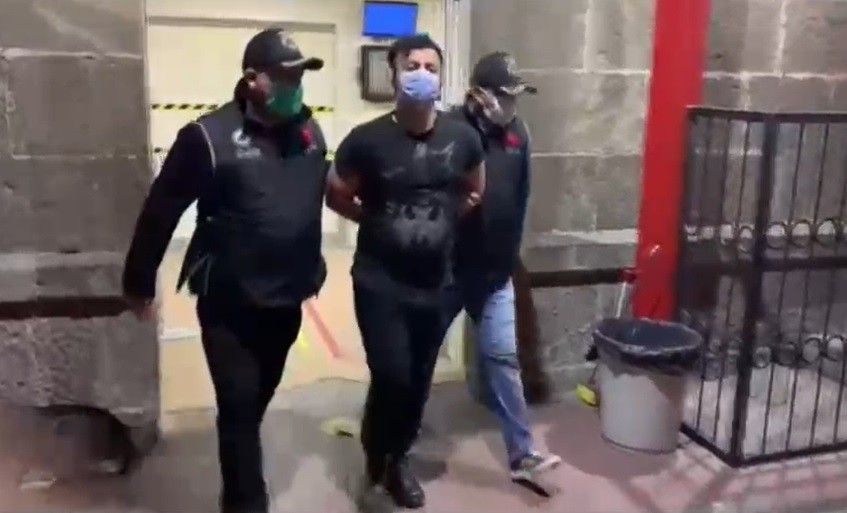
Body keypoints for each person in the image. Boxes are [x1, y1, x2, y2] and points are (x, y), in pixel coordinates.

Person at [122, 28, 328, 513]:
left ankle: (241, 458)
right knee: (237, 407)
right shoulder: (207, 137)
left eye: (299, 75)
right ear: (253, 79)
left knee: (253, 401)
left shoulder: (309, 130)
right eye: (284, 76)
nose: (295, 85)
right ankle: (244, 501)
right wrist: (139, 280)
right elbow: (161, 208)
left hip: (288, 297)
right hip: (229, 301)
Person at [325, 34, 485, 509]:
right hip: (380, 281)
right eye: (411, 66)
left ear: (442, 76)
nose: (421, 75)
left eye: (431, 67)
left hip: (436, 283)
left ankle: (397, 459)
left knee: (417, 379)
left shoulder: (462, 138)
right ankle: (377, 452)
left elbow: (475, 189)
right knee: (392, 373)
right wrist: (375, 221)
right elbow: (336, 194)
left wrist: (444, 222)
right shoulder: (367, 140)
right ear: (393, 74)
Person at [445, 52, 561, 482]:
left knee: (504, 359)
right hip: (447, 273)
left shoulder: (518, 134)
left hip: (496, 274)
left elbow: (521, 195)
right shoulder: (449, 131)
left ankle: (523, 456)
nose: (511, 106)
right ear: (479, 95)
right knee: (416, 361)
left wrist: (509, 253)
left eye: (516, 97)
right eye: (505, 96)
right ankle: (393, 447)